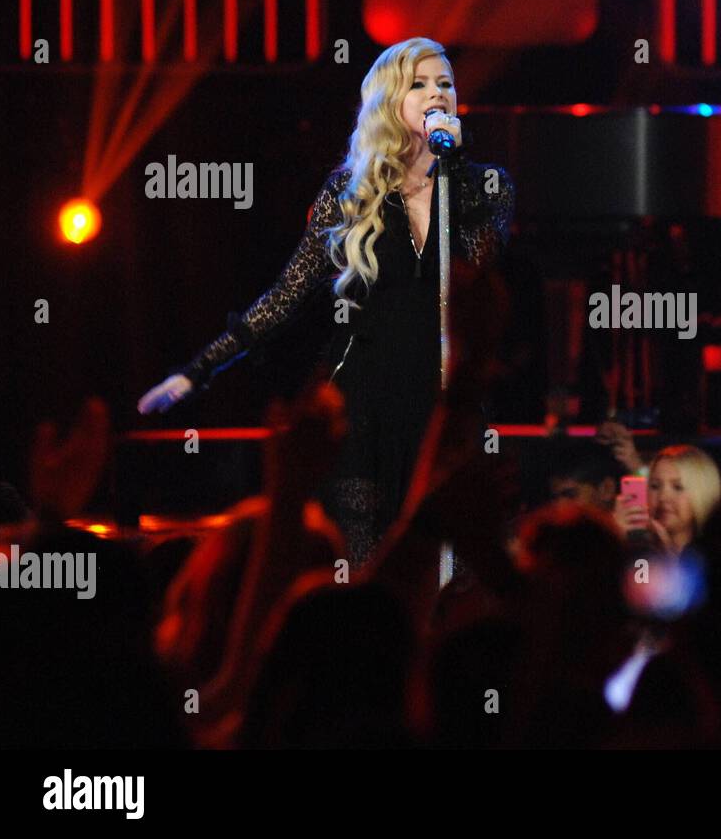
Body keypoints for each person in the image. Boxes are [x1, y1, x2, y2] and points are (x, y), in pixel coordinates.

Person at [137, 37, 515, 567]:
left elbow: (474, 268)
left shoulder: (486, 188)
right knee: (360, 559)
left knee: (447, 563)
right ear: (390, 98)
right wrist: (199, 369)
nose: (437, 95)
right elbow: (286, 295)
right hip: (363, 401)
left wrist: (445, 172)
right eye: (420, 83)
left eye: (446, 84)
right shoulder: (349, 192)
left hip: (443, 404)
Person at [614, 444, 721, 554]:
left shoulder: (716, 554)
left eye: (678, 487)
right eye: (655, 486)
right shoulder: (640, 551)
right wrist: (614, 536)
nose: (663, 497)